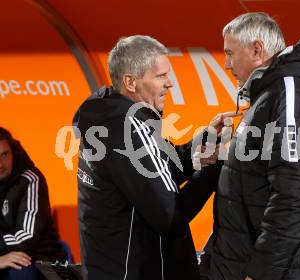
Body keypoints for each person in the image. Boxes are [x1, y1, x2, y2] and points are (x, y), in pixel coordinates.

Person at [75, 35, 229, 280]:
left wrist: (199, 147)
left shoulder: (107, 119)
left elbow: (155, 170)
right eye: (161, 76)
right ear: (131, 82)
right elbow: (170, 216)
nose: (170, 84)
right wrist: (216, 169)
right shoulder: (129, 128)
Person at [209, 13, 300, 279]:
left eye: (230, 53)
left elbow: (294, 196)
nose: (226, 63)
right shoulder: (271, 93)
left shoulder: (291, 93)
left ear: (257, 49)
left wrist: (260, 273)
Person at [0, 127, 66, 279]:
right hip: (3, 258)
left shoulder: (30, 179)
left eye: (4, 155)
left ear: (13, 153)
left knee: (21, 269)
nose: (0, 163)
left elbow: (26, 237)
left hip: (38, 259)